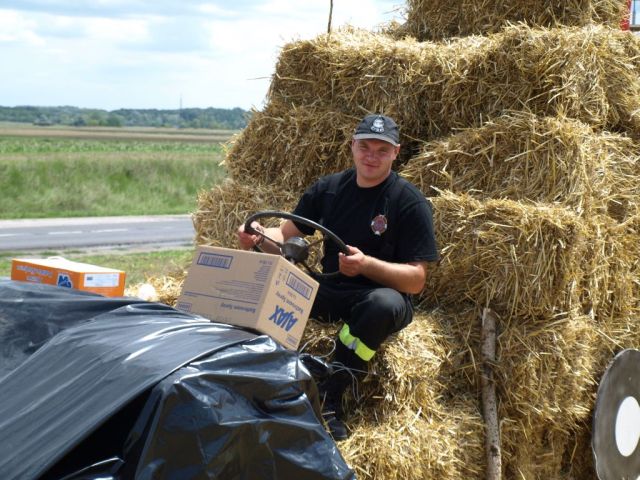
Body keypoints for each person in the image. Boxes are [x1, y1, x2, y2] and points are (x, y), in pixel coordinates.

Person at [237, 113, 439, 440]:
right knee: (274, 282)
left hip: (379, 297)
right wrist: (258, 236)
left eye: (381, 150)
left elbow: (416, 280)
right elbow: (284, 236)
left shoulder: (408, 202)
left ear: (396, 152)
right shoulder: (329, 189)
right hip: (331, 289)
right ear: (352, 146)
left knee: (382, 305)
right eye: (365, 147)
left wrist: (366, 266)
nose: (371, 156)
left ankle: (333, 393)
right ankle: (251, 380)